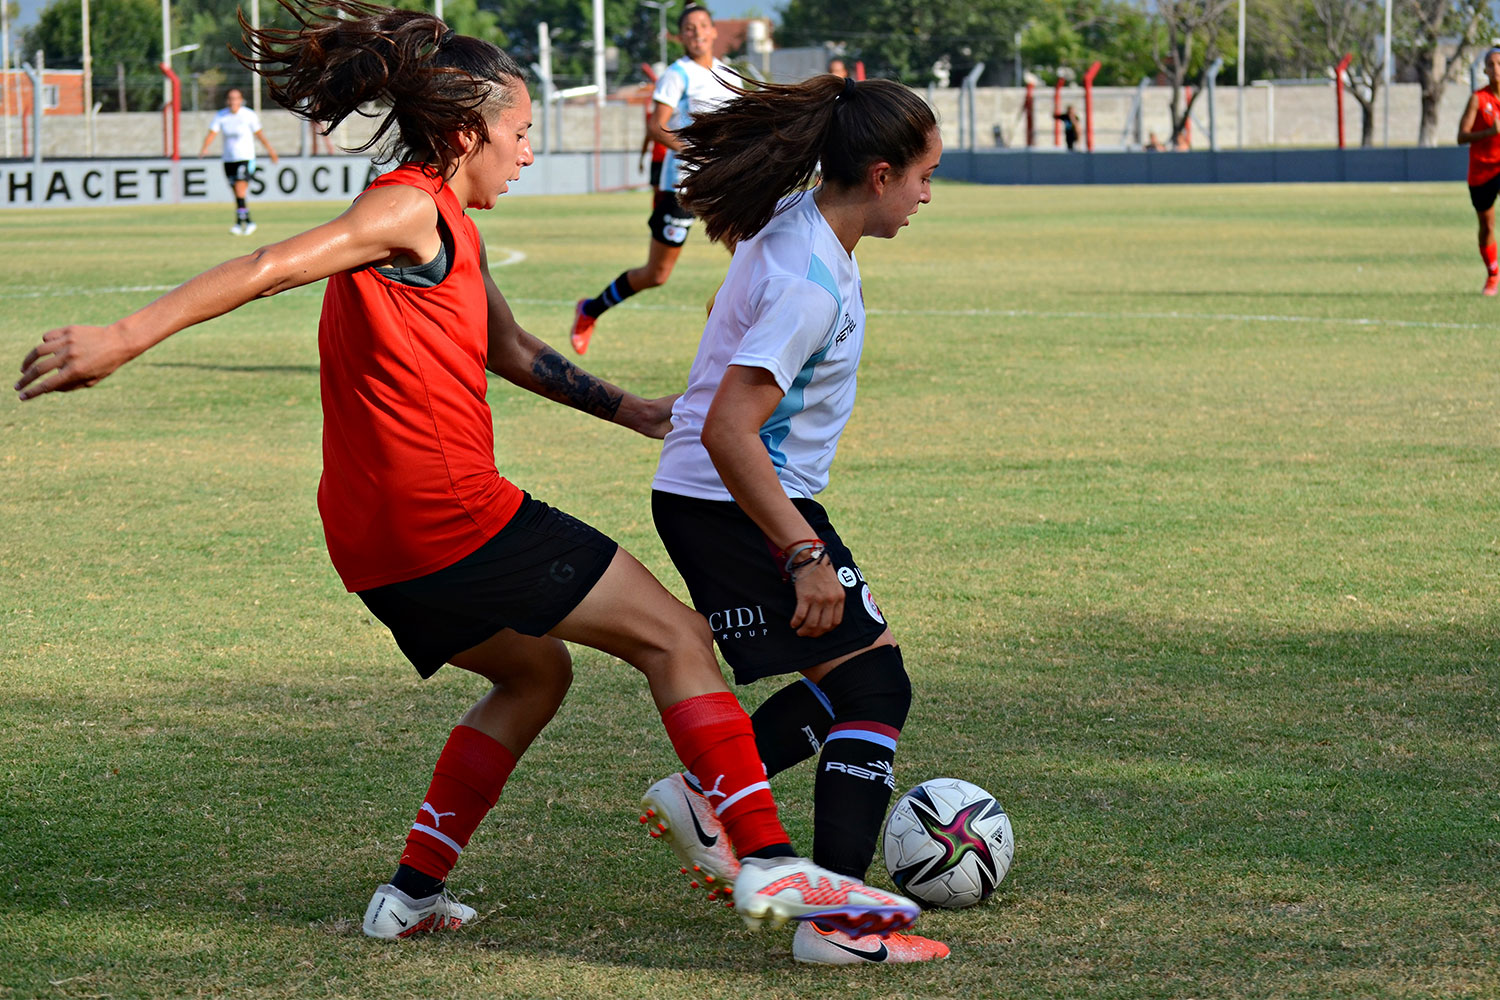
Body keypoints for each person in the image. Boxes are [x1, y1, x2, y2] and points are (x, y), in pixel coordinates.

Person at [15, 0, 919, 949]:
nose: (528, 152)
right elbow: (273, 263)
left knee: (533, 674)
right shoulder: (404, 206)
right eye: (520, 133)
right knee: (679, 642)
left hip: (373, 543)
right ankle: (773, 866)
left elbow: (515, 351)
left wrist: (635, 410)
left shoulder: (448, 220)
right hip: (452, 518)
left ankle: (410, 896)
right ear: (463, 131)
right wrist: (122, 336)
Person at [633, 74, 951, 966]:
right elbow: (735, 430)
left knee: (859, 673)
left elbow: (731, 332)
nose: (930, 193)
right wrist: (803, 551)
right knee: (876, 688)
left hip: (727, 492)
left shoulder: (798, 218)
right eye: (925, 175)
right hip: (734, 498)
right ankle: (839, 926)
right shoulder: (811, 279)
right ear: (881, 173)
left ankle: (706, 798)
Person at [570, 4, 733, 354]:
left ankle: (728, 323)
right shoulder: (678, 74)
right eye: (689, 28)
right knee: (656, 275)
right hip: (683, 187)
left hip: (719, 183)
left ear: (714, 31)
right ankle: (589, 310)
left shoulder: (729, 76)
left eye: (703, 25)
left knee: (748, 250)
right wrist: (694, 151)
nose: (697, 32)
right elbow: (656, 126)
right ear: (681, 36)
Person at [198, 86, 280, 236]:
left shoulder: (248, 115)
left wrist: (271, 151)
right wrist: (204, 147)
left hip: (246, 158)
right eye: (230, 98)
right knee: (237, 193)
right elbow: (212, 133)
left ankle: (242, 223)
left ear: (241, 100)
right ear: (227, 101)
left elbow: (259, 134)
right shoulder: (221, 116)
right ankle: (245, 222)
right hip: (229, 159)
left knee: (240, 189)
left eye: (236, 98)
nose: (233, 101)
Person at [1458, 46, 1500, 296]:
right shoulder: (1478, 98)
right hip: (1483, 169)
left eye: (1499, 63)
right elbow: (1461, 136)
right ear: (1484, 70)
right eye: (1491, 64)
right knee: (1487, 225)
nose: (1496, 69)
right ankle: (1493, 274)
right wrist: (1490, 132)